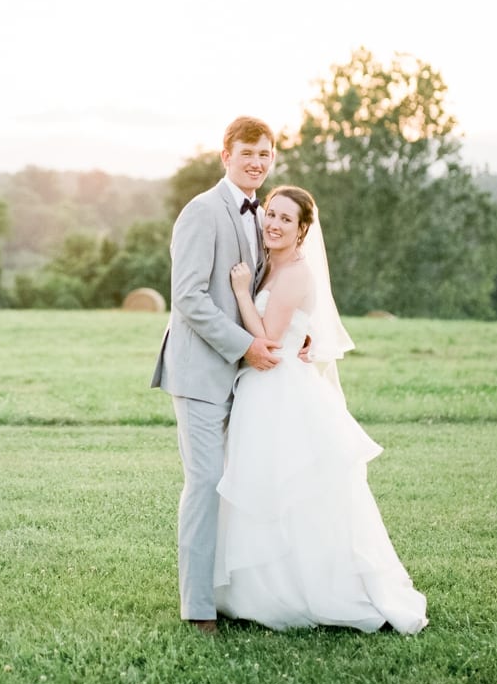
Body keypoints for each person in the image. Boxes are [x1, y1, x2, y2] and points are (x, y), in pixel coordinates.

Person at [214, 185, 428, 634]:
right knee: (263, 487)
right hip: (265, 389)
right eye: (270, 214)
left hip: (280, 390)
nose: (273, 223)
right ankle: (255, 589)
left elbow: (269, 341)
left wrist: (239, 293)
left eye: (286, 219)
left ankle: (302, 591)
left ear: (303, 229)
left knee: (291, 492)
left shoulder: (295, 273)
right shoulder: (272, 264)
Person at [151, 116, 285, 635]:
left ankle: (235, 592)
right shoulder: (201, 211)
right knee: (205, 483)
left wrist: (291, 334)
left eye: (266, 154)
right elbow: (187, 296)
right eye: (248, 152)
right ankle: (198, 607)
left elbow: (260, 290)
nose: (257, 162)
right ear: (225, 154)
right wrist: (245, 346)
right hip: (200, 372)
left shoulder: (262, 214)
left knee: (238, 485)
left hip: (244, 377)